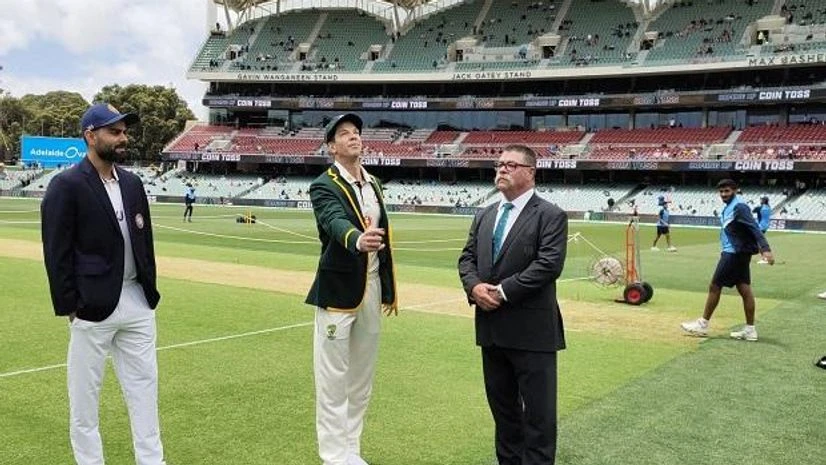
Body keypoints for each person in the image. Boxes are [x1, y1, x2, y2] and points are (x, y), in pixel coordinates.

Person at [41, 103, 166, 465]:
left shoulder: (132, 182)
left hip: (137, 303)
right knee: (85, 398)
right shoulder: (66, 185)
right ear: (90, 136)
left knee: (145, 391)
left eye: (125, 131)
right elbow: (56, 250)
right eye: (114, 131)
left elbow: (145, 240)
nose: (123, 137)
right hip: (92, 307)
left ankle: (151, 460)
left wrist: (149, 290)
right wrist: (70, 307)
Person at [458, 144, 568, 465]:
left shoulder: (550, 215)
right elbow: (467, 258)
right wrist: (475, 286)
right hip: (492, 331)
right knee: (504, 414)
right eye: (499, 164)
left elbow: (548, 265)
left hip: (532, 333)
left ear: (530, 172)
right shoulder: (485, 214)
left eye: (510, 164)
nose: (501, 169)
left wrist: (502, 292)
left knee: (538, 418)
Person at [305, 113, 398, 465]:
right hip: (338, 292)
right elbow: (332, 220)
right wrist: (357, 240)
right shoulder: (323, 184)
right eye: (344, 134)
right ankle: (333, 456)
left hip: (371, 288)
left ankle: (351, 451)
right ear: (331, 146)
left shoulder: (373, 183)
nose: (353, 137)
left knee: (361, 380)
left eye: (356, 132)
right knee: (332, 380)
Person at [681, 179, 774, 342]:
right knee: (744, 289)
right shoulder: (729, 208)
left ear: (735, 190)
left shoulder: (739, 207)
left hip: (733, 253)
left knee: (715, 286)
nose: (724, 194)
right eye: (721, 192)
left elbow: (754, 227)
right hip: (737, 252)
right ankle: (750, 330)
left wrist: (765, 249)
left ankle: (702, 324)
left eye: (727, 191)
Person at [753, 195, 772, 264]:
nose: (760, 201)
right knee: (758, 242)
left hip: (760, 226)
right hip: (765, 226)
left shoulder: (760, 208)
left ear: (763, 201)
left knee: (759, 243)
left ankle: (765, 258)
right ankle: (765, 257)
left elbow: (753, 210)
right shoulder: (769, 208)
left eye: (761, 200)